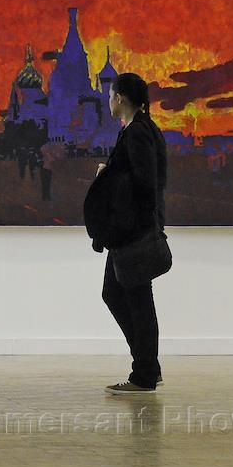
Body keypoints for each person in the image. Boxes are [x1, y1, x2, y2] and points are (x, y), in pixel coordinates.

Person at [84, 72, 167, 394]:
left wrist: (108, 174)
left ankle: (145, 372)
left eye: (111, 96)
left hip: (133, 230)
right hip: (132, 229)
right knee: (120, 294)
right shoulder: (140, 129)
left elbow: (145, 182)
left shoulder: (137, 133)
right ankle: (147, 366)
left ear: (119, 98)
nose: (109, 101)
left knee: (135, 298)